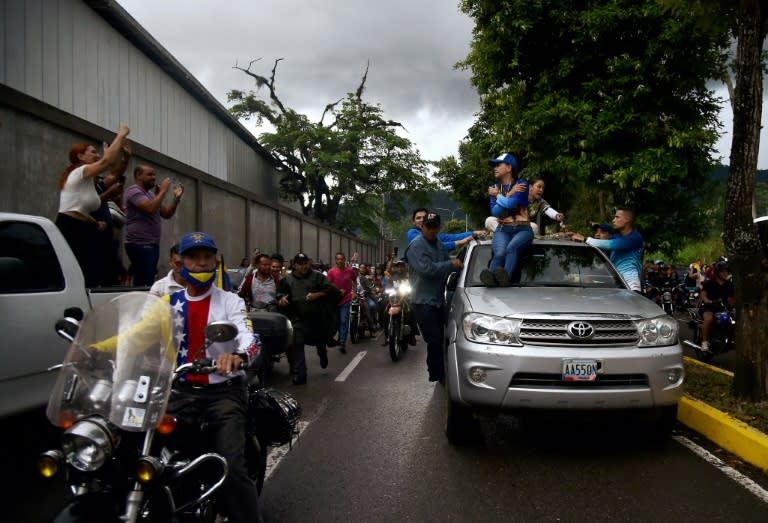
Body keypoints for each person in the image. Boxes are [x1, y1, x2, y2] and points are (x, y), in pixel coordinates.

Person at [164, 231, 262, 523]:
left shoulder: (230, 301)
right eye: (194, 258)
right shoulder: (167, 303)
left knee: (230, 465)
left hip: (223, 393)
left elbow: (249, 337)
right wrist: (97, 348)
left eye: (207, 258)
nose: (201, 264)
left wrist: (238, 356)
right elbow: (137, 336)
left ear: (215, 261)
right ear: (181, 263)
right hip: (179, 391)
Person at [55, 125, 130, 287]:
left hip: (82, 226)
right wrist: (121, 135)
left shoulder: (87, 181)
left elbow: (76, 209)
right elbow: (107, 162)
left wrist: (94, 222)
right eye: (93, 152)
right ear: (80, 156)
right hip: (71, 229)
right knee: (83, 275)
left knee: (96, 273)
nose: (97, 155)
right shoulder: (79, 172)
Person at [405, 212, 463, 383]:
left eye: (434, 227)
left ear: (439, 228)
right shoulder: (416, 246)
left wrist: (463, 268)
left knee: (443, 337)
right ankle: (437, 374)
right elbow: (427, 270)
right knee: (434, 339)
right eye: (428, 226)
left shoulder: (439, 245)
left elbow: (450, 268)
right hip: (422, 302)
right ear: (422, 227)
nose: (431, 230)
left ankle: (439, 370)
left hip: (438, 300)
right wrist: (450, 264)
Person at [276, 253, 341, 384]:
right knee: (298, 344)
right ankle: (301, 374)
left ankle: (323, 354)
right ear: (295, 265)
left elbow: (334, 291)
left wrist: (318, 294)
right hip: (298, 319)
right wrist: (281, 299)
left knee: (320, 341)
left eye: (305, 263)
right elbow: (280, 294)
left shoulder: (317, 277)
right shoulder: (287, 280)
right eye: (300, 264)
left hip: (317, 319)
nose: (303, 266)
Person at [124, 164, 184, 286]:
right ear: (138, 176)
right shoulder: (134, 191)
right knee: (144, 281)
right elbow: (150, 208)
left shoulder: (150, 194)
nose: (153, 177)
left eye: (154, 174)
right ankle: (142, 303)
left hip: (151, 244)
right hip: (140, 244)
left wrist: (176, 199)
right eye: (150, 174)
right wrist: (163, 191)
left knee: (147, 278)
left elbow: (166, 214)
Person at [480, 153, 534, 286]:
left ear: (509, 167)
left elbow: (510, 205)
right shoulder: (495, 187)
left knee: (511, 248)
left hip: (523, 229)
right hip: (503, 228)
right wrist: (509, 194)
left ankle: (506, 278)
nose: (495, 168)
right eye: (494, 166)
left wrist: (498, 195)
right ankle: (491, 279)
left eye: (498, 165)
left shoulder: (522, 183)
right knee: (499, 254)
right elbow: (496, 211)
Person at [569, 207, 644, 292]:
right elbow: (604, 242)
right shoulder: (617, 236)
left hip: (630, 284)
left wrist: (586, 239)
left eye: (617, 217)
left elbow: (610, 244)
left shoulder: (635, 238)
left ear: (627, 219)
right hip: (616, 283)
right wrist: (572, 235)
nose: (613, 220)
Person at [698, 261, 735, 353]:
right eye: (722, 271)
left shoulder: (729, 284)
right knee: (709, 319)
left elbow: (732, 297)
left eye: (726, 271)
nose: (725, 273)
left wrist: (734, 304)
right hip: (709, 307)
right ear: (717, 272)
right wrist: (707, 300)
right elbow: (703, 294)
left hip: (723, 308)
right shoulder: (710, 283)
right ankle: (705, 342)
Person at [406, 208, 483, 250]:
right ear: (413, 222)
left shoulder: (434, 235)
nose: (422, 220)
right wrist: (461, 242)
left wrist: (473, 233)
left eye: (424, 218)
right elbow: (434, 246)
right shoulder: (412, 234)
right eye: (418, 218)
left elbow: (451, 237)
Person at [326, 252, 356, 354]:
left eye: (342, 259)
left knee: (344, 320)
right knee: (336, 321)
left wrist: (354, 292)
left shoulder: (350, 271)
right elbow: (327, 285)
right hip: (334, 301)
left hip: (346, 299)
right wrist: (336, 292)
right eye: (338, 259)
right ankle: (340, 335)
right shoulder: (331, 272)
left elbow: (355, 281)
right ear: (335, 260)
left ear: (344, 260)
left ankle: (342, 342)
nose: (340, 261)